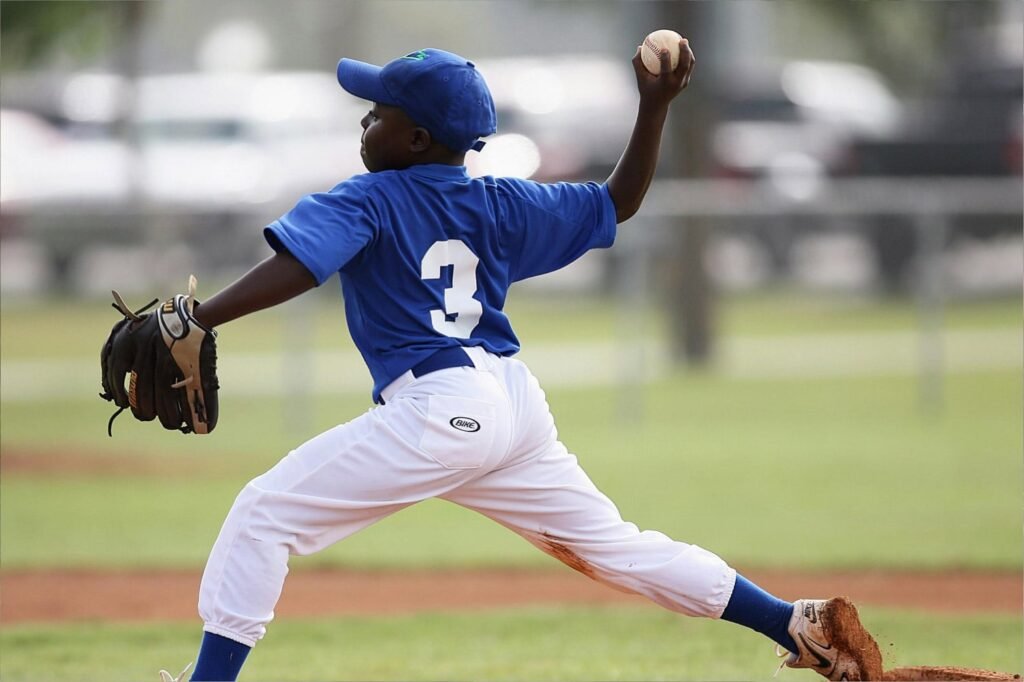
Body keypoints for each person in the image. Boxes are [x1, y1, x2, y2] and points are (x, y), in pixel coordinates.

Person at [159, 41, 880, 682]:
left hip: (440, 410)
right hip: (513, 405)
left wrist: (199, 316)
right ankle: (795, 623)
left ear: (415, 138)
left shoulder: (371, 197)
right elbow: (618, 201)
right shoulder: (501, 204)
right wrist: (654, 106)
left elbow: (299, 265)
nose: (366, 121)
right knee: (616, 547)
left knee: (263, 516)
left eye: (378, 113)